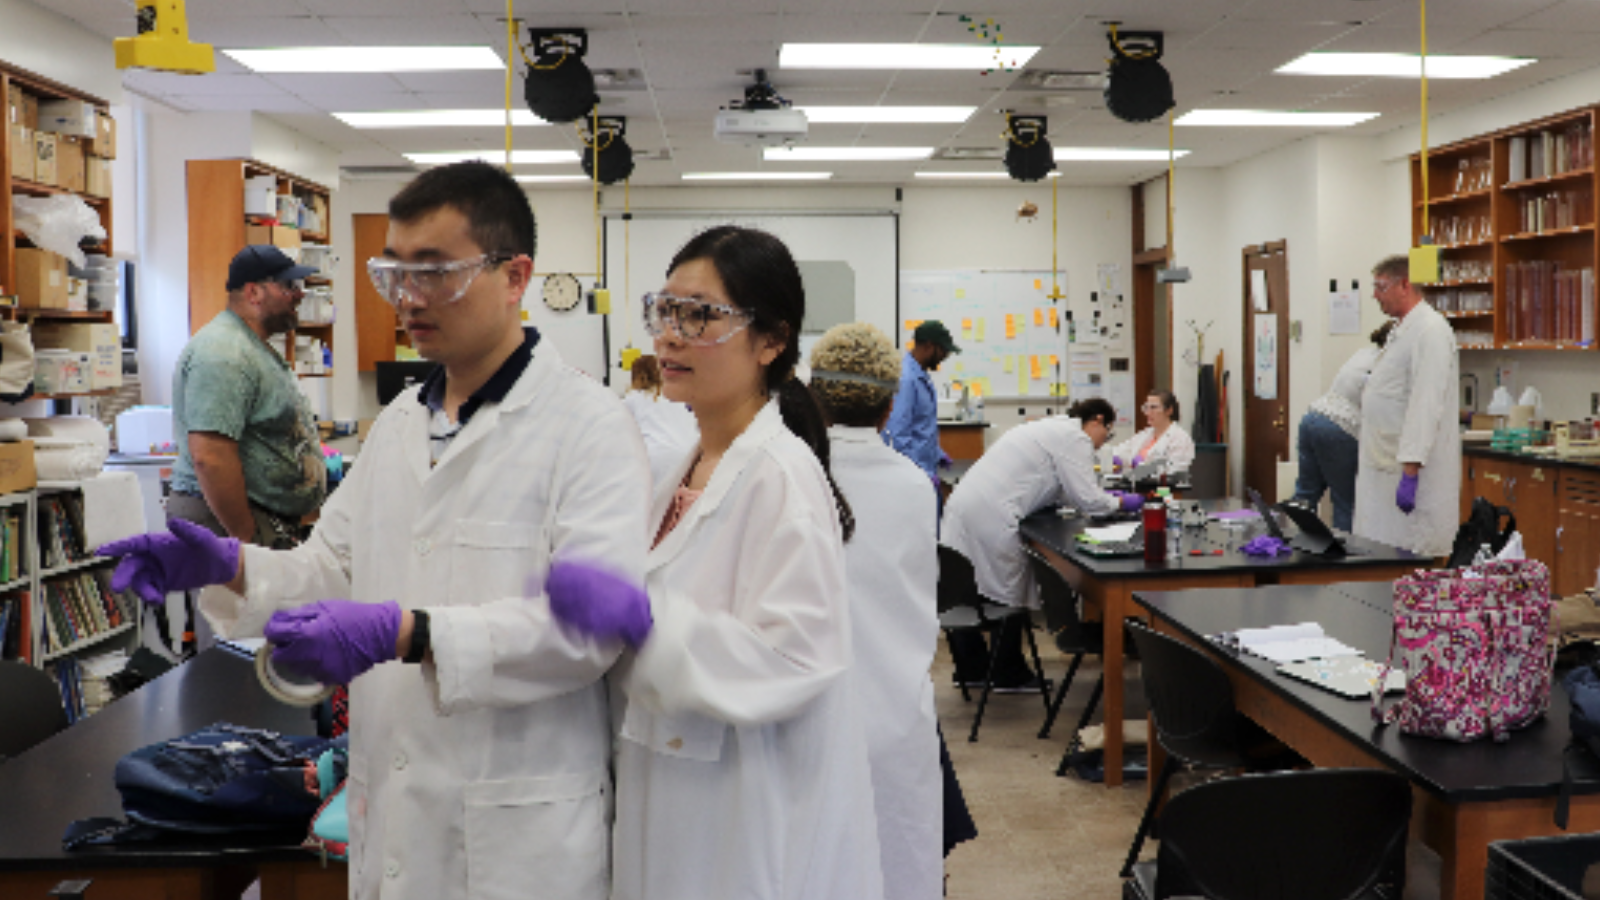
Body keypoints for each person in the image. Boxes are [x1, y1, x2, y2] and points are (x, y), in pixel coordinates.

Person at [97, 161, 651, 900]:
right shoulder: (400, 424)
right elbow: (332, 567)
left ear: (515, 276)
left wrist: (411, 633)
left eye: (436, 273)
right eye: (394, 274)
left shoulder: (590, 428)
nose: (409, 299)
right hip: (393, 816)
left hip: (517, 835)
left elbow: (589, 633)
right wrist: (229, 565)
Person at [542, 226, 885, 900]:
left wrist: (647, 624)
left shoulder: (779, 475)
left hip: (744, 809)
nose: (670, 335)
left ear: (771, 340)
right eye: (665, 311)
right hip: (670, 784)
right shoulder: (682, 465)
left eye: (699, 314)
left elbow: (795, 659)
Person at [809, 322, 943, 900]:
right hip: (897, 715)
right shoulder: (915, 485)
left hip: (812, 719)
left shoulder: (795, 476)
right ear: (891, 407)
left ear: (814, 397)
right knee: (900, 866)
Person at [941, 399, 1140, 687]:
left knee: (969, 590)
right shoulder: (1075, 437)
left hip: (968, 506)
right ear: (1097, 420)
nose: (1100, 445)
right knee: (1009, 592)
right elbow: (1088, 499)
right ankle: (1008, 674)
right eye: (1106, 435)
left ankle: (972, 670)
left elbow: (1060, 487)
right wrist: (1123, 501)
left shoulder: (1051, 429)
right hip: (992, 515)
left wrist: (1097, 498)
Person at [168, 244, 325, 549]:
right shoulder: (223, 352)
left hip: (256, 515)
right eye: (289, 286)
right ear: (254, 293)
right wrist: (244, 537)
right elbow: (210, 456)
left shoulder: (251, 345)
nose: (300, 294)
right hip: (228, 517)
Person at [1354, 254, 1461, 558]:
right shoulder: (1401, 331)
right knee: (1376, 556)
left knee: (1408, 567)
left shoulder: (1431, 331)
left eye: (1380, 286)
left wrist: (1411, 471)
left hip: (1408, 476)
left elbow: (1425, 404)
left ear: (1404, 285)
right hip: (1382, 468)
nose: (1374, 295)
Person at [1291, 320, 1395, 532]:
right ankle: (1347, 562)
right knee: (1347, 503)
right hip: (1339, 429)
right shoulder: (1386, 365)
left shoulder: (1363, 354)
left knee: (1305, 496)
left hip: (1312, 418)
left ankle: (1290, 546)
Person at [885, 319, 959, 480]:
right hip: (913, 476)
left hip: (924, 470)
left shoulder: (921, 376)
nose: (945, 356)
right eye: (943, 351)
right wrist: (919, 473)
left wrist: (937, 454)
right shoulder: (906, 380)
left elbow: (922, 428)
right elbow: (898, 436)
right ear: (928, 347)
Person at [622, 353, 699, 489]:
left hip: (656, 457)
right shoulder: (677, 396)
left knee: (655, 505)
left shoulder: (633, 398)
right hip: (689, 454)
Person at [1106, 389, 1195, 475]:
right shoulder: (1145, 434)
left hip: (1162, 489)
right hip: (1136, 485)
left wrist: (1145, 468)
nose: (1148, 413)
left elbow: (1174, 471)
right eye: (1146, 408)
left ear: (1169, 410)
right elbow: (1122, 451)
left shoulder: (1180, 438)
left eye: (1153, 407)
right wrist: (1112, 457)